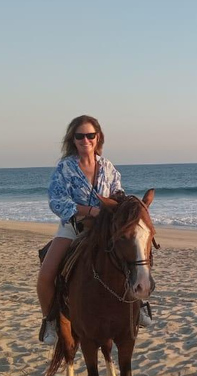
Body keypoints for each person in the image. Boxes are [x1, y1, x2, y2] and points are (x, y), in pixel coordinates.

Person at [37, 115, 152, 344]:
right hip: (73, 228)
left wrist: (125, 207)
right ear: (73, 139)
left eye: (90, 135)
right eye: (80, 136)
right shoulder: (65, 168)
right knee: (45, 276)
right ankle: (50, 320)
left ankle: (139, 306)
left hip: (105, 229)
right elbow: (56, 200)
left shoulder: (108, 167)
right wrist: (90, 211)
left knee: (134, 258)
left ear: (97, 137)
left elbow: (118, 192)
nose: (85, 140)